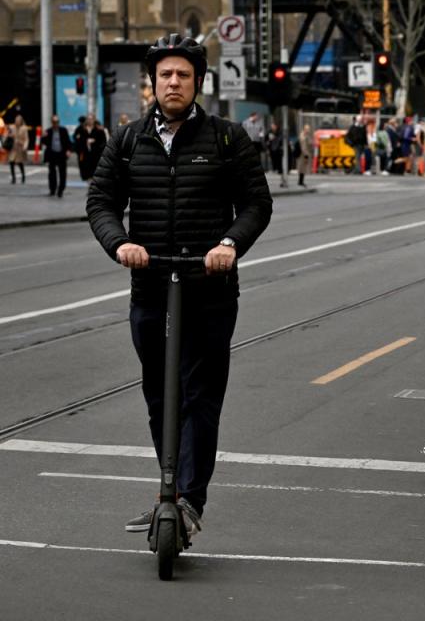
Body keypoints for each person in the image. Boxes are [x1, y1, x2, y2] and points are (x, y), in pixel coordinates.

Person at [86, 34, 273, 537]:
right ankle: (168, 487)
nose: (173, 82)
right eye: (165, 75)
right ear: (153, 82)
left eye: (183, 76)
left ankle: (188, 499)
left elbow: (257, 205)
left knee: (199, 395)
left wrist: (229, 244)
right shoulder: (127, 141)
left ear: (197, 83)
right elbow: (100, 202)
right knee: (158, 394)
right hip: (150, 286)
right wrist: (120, 243)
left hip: (209, 288)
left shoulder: (227, 138)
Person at [42, 114, 72, 197]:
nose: (56, 123)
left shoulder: (63, 130)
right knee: (52, 173)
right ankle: (52, 189)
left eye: (57, 122)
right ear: (52, 122)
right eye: (54, 122)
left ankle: (60, 190)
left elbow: (68, 142)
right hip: (52, 154)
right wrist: (43, 137)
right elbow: (44, 142)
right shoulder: (48, 131)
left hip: (61, 154)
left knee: (62, 173)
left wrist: (69, 150)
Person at [7, 114, 29, 184]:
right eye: (16, 120)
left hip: (20, 148)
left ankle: (23, 176)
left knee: (20, 163)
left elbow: (26, 139)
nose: (17, 121)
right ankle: (13, 178)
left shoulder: (24, 128)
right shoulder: (12, 127)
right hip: (13, 148)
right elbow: (7, 135)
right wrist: (10, 135)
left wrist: (25, 146)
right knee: (11, 162)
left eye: (18, 120)